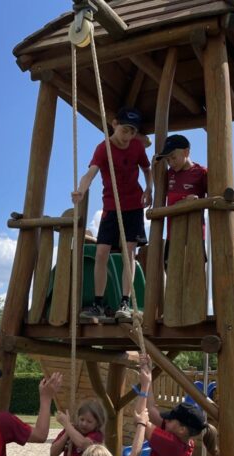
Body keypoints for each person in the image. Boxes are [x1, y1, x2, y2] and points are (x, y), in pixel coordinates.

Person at [72, 106, 152, 322]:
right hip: (111, 207)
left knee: (129, 252)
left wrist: (149, 188)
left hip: (133, 206)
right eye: (125, 130)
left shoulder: (136, 146)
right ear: (114, 125)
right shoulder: (103, 148)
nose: (128, 136)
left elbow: (147, 169)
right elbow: (90, 173)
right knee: (101, 253)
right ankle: (98, 303)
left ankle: (125, 302)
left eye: (132, 132)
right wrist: (80, 190)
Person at [154, 133, 207, 267]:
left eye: (173, 157)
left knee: (195, 272)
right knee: (171, 272)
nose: (171, 163)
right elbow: (161, 190)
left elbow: (212, 198)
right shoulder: (169, 174)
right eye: (167, 160)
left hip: (194, 234)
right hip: (172, 235)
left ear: (186, 152)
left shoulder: (201, 172)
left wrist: (195, 201)